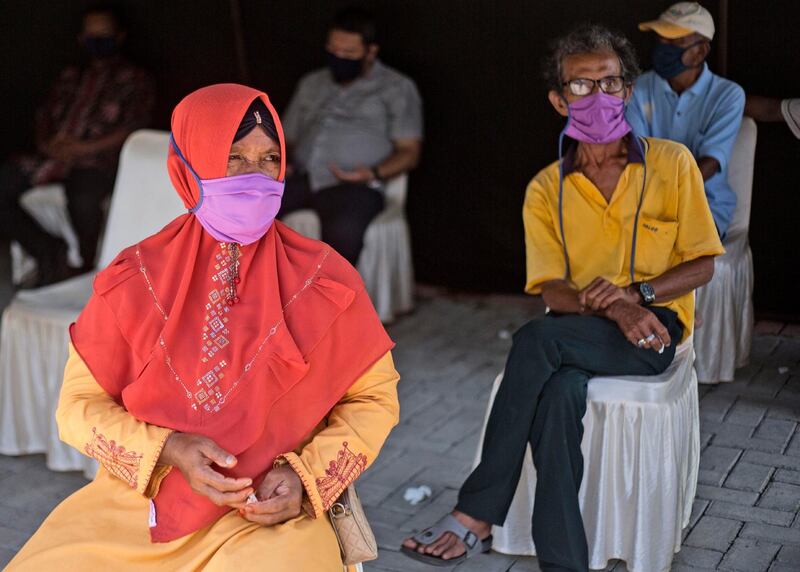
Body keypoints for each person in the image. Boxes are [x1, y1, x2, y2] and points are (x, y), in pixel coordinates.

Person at [7, 84, 399, 572]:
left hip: (268, 516)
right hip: (140, 507)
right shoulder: (135, 279)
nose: (255, 177)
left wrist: (304, 477)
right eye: (233, 158)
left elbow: (374, 400)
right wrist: (169, 447)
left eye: (269, 158)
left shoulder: (326, 279)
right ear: (186, 169)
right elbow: (77, 409)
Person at [401, 24, 723, 572]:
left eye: (610, 82)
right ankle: (564, 561)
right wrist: (611, 303)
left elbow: (704, 263)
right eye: (581, 86)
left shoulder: (672, 164)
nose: (598, 97)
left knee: (534, 339)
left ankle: (476, 513)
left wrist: (634, 297)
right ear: (558, 99)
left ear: (627, 90)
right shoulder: (545, 188)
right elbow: (550, 286)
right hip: (579, 330)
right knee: (558, 397)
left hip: (654, 330)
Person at [0, 2, 154, 286]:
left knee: (84, 198)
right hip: (53, 157)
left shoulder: (133, 79)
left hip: (98, 160)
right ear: (82, 40)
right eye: (93, 38)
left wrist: (85, 149)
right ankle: (48, 251)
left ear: (119, 37)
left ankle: (85, 268)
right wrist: (49, 144)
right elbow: (44, 116)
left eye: (105, 37)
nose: (99, 44)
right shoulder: (71, 76)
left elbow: (132, 128)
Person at [280, 6, 423, 265]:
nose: (339, 58)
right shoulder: (311, 83)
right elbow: (283, 138)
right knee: (244, 209)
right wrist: (277, 163)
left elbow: (409, 151)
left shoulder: (397, 88)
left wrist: (373, 173)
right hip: (302, 178)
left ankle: (329, 304)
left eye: (348, 53)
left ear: (370, 52)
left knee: (342, 235)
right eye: (333, 51)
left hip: (354, 186)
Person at [626, 2, 744, 238]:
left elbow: (709, 163)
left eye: (676, 41)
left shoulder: (727, 95)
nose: (664, 47)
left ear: (700, 51)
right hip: (644, 204)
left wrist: (665, 200)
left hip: (704, 206)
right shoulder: (637, 89)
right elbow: (635, 155)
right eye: (661, 40)